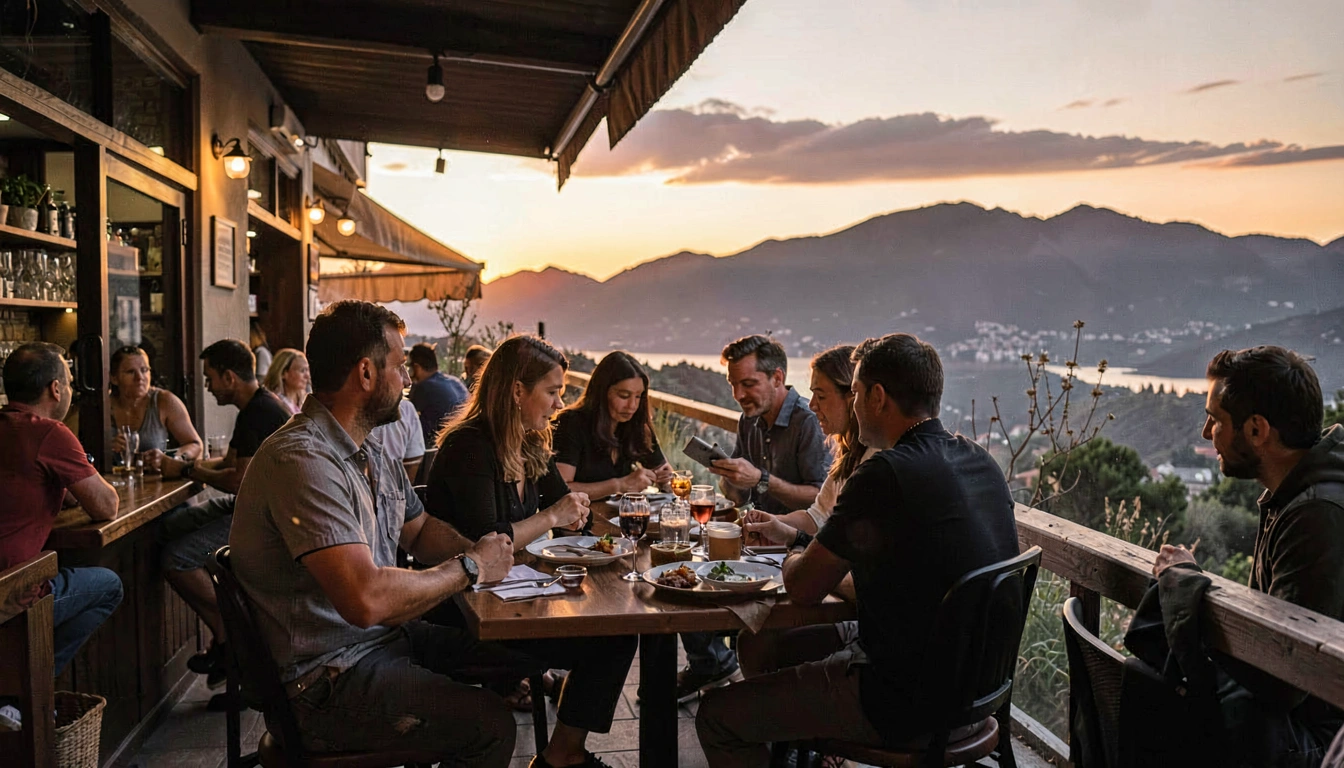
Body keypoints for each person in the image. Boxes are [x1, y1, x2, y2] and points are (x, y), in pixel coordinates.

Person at [232, 301, 630, 768]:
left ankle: (564, 756)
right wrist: (471, 566)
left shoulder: (369, 448)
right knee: (490, 725)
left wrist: (486, 555)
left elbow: (418, 530)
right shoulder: (303, 461)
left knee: (597, 639)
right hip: (326, 680)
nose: (409, 381)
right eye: (400, 368)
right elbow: (366, 600)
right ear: (365, 373)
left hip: (386, 640)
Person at [696, 333, 1019, 767]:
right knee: (764, 648)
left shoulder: (885, 472)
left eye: (857, 392)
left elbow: (805, 588)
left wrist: (793, 550)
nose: (853, 404)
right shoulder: (980, 461)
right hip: (977, 694)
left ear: (878, 397)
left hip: (901, 700)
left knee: (717, 716)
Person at [425, 335, 637, 761]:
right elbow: (490, 541)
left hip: (514, 597)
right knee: (611, 641)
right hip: (462, 612)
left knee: (617, 631)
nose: (559, 404)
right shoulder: (470, 445)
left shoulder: (527, 441)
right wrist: (552, 517)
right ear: (517, 391)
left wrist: (574, 512)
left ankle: (562, 753)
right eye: (553, 391)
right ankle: (563, 758)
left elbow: (563, 502)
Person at [1151, 346, 1344, 767]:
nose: (1206, 433)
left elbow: (1284, 678)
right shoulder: (1296, 496)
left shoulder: (1316, 515)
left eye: (1216, 420)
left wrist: (1187, 583)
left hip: (1323, 744)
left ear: (1256, 430)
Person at [677, 335, 830, 703]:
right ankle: (711, 664)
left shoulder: (808, 422)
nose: (739, 394)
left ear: (777, 378)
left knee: (703, 579)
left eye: (748, 384)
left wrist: (761, 479)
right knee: (686, 572)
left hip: (795, 546)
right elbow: (740, 495)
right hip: (756, 540)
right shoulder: (750, 420)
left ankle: (730, 673)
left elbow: (822, 497)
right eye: (733, 385)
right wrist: (731, 479)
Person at [143, 340, 290, 696]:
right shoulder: (257, 405)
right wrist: (181, 466)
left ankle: (234, 637)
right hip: (255, 505)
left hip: (268, 518)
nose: (207, 387)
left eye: (210, 378)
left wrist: (190, 469)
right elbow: (228, 465)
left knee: (176, 558)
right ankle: (227, 644)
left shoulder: (260, 412)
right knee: (169, 527)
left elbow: (237, 480)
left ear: (229, 376)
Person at [736, 344, 874, 678]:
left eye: (821, 395)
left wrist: (801, 554)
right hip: (852, 605)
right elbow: (817, 517)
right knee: (752, 638)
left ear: (852, 397)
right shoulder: (850, 456)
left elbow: (818, 581)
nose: (812, 405)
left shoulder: (878, 468)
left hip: (868, 629)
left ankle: (781, 717)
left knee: (757, 641)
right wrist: (774, 524)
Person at [0, 343, 123, 681]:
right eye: (69, 382)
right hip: (12, 594)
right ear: (55, 389)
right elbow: (107, 506)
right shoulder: (49, 431)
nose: (70, 390)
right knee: (109, 585)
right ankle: (30, 687)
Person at [552, 350, 673, 499]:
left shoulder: (635, 425)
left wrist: (665, 480)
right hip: (576, 519)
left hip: (618, 517)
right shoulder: (571, 423)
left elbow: (665, 472)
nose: (632, 405)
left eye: (638, 397)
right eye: (624, 396)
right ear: (602, 392)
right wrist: (619, 485)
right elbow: (560, 490)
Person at [109, 345, 203, 460]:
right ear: (114, 378)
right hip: (110, 477)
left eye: (144, 370)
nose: (140, 378)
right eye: (130, 372)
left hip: (155, 477)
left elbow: (195, 444)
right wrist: (106, 448)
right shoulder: (105, 406)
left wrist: (174, 459)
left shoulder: (164, 401)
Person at [408, 341, 469, 444]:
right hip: (462, 442)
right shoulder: (455, 381)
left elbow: (407, 414)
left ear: (417, 368)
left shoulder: (424, 387)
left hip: (438, 447)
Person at [371, 398, 426, 482]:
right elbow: (414, 459)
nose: (407, 384)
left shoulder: (405, 408)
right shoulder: (406, 408)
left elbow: (414, 459)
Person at [263, 348, 310, 415]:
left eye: (307, 370)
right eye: (302, 370)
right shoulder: (273, 403)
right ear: (283, 373)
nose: (307, 376)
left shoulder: (305, 401)